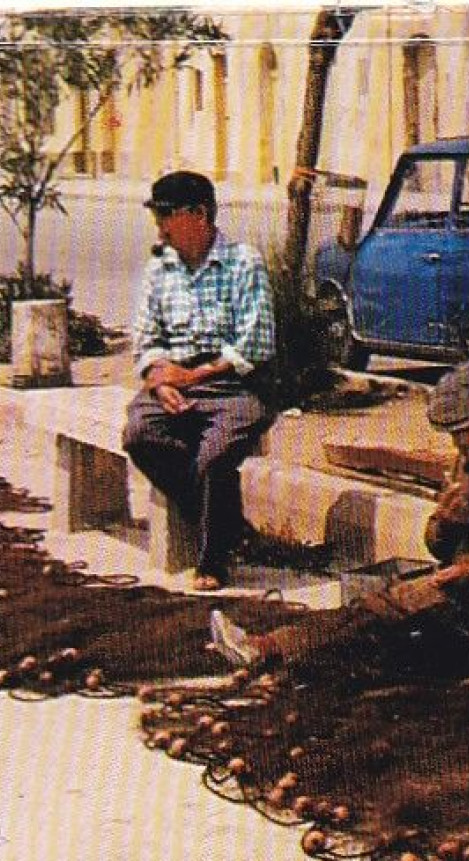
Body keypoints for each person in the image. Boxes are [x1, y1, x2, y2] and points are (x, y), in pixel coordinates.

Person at [210, 360, 469, 678]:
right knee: (376, 608)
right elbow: (438, 545)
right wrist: (447, 521)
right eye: (452, 434)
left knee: (391, 618)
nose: (458, 443)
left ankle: (271, 650)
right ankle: (274, 653)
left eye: (465, 430)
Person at [122, 170, 276, 592]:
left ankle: (213, 558)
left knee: (215, 456)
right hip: (175, 381)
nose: (161, 226)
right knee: (139, 434)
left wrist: (195, 375)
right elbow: (145, 338)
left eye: (167, 215)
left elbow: (255, 344)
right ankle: (230, 526)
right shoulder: (160, 268)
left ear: (199, 214)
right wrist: (160, 381)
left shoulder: (244, 262)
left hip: (233, 383)